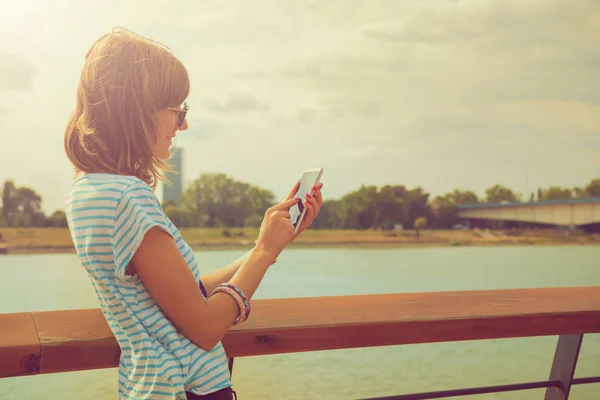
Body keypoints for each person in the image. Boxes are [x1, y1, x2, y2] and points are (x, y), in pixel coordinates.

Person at [63, 28, 323, 400]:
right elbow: (204, 326)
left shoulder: (88, 191)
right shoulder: (128, 198)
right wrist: (265, 253)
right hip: (187, 390)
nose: (182, 125)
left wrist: (268, 245)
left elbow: (184, 295)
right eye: (177, 110)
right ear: (139, 109)